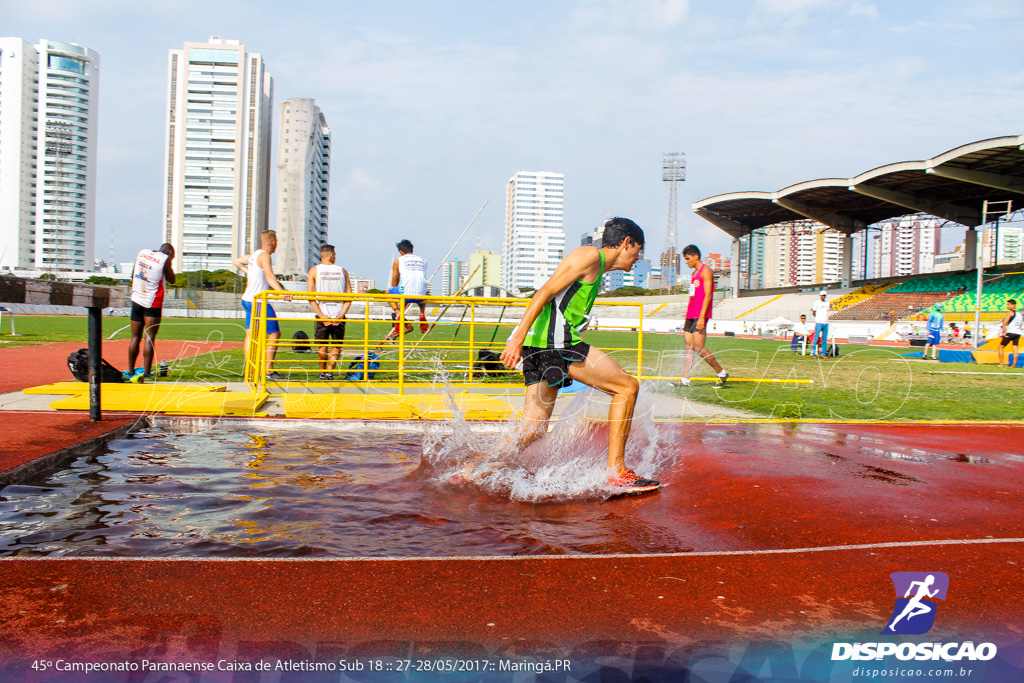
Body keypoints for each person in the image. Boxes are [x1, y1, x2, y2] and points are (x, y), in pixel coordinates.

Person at [500, 217, 656, 491]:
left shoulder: (596, 270)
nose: (636, 259)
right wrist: (516, 339)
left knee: (532, 428)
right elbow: (544, 292)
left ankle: (475, 468)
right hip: (554, 343)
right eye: (637, 251)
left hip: (542, 344)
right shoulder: (589, 256)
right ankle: (617, 471)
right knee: (627, 388)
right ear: (626, 243)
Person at [234, 230, 292, 381]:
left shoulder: (254, 255)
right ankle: (268, 371)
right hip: (258, 301)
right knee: (274, 334)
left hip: (247, 299)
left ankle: (251, 369)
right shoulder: (265, 255)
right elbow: (269, 276)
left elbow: (236, 261)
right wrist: (281, 292)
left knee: (250, 334)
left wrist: (249, 272)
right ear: (274, 242)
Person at [678, 245, 728, 387]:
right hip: (690, 314)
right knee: (688, 346)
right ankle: (685, 380)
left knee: (699, 347)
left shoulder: (705, 271)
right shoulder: (693, 274)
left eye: (688, 259)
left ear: (696, 257)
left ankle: (721, 372)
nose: (686, 262)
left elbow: (708, 296)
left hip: (700, 314)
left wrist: (701, 317)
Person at [125, 243, 176, 382]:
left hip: (136, 298)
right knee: (149, 337)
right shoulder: (164, 259)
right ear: (170, 252)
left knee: (135, 337)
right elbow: (172, 279)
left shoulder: (143, 252)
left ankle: (130, 371)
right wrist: (169, 263)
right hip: (152, 301)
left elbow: (133, 274)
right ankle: (146, 372)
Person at [308, 244, 352, 381]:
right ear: (331, 255)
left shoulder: (314, 271)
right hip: (339, 311)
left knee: (322, 345)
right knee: (337, 345)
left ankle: (322, 373)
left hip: (323, 310)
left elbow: (310, 296)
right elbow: (349, 296)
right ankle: (330, 371)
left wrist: (321, 315)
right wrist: (341, 314)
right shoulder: (342, 271)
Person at [384, 239, 428, 342]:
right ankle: (422, 313)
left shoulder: (399, 260)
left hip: (405, 293)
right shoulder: (423, 260)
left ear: (400, 251)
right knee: (422, 291)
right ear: (412, 250)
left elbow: (395, 281)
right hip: (422, 295)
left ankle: (398, 312)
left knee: (387, 292)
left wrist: (395, 296)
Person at [998, 299, 1022, 368]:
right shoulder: (1020, 313)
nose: (1007, 306)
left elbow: (1005, 322)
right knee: (1015, 348)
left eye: (1008, 304)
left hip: (1010, 332)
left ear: (1013, 305)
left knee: (1001, 347)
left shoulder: (1011, 312)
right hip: (1018, 332)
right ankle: (1013, 365)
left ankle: (1001, 364)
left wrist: (1003, 332)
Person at [810, 290, 831, 357]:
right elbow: (814, 312)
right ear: (820, 296)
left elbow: (826, 311)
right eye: (822, 295)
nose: (823, 296)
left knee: (824, 339)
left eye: (824, 295)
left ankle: (823, 353)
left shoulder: (827, 303)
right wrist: (818, 318)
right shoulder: (817, 302)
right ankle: (813, 353)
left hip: (825, 322)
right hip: (819, 322)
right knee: (816, 338)